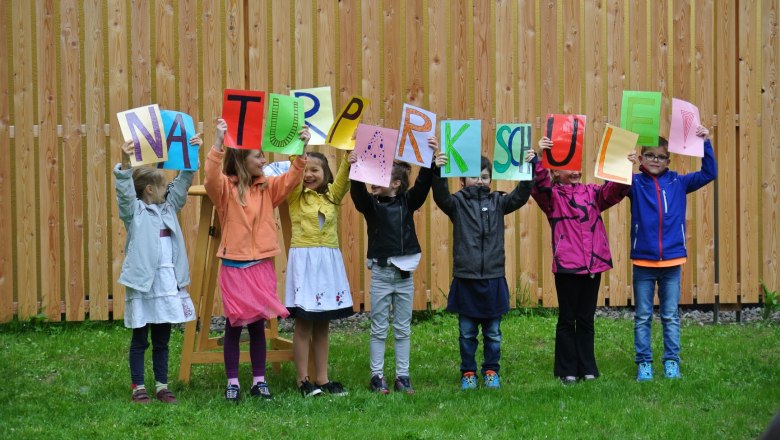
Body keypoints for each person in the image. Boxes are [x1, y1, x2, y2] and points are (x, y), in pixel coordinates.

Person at [204, 118, 310, 402]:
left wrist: (302, 146)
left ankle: (259, 380)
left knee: (258, 325)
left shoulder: (267, 188)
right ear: (241, 159)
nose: (264, 160)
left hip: (261, 265)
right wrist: (217, 142)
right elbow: (211, 178)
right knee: (234, 325)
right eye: (258, 156)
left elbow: (292, 178)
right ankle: (233, 382)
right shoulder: (225, 190)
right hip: (234, 267)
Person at [529, 139, 632, 384]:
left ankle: (587, 367)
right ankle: (566, 369)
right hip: (567, 267)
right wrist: (541, 157)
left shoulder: (593, 193)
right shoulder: (552, 198)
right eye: (568, 168)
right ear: (555, 172)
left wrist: (623, 168)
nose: (575, 172)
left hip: (593, 266)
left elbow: (614, 192)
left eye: (577, 167)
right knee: (567, 318)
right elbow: (538, 187)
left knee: (586, 318)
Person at [432, 152, 532, 390]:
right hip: (466, 280)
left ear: (491, 180)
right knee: (466, 333)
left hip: (493, 279)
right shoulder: (456, 204)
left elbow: (520, 196)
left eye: (485, 176)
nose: (480, 180)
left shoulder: (499, 202)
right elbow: (440, 196)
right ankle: (468, 373)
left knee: (493, 333)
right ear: (462, 181)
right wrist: (437, 171)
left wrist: (527, 169)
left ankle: (490, 371)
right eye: (474, 176)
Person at [114, 134, 202, 404]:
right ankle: (138, 386)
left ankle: (162, 386)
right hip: (143, 285)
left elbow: (182, 184)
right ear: (149, 190)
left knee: (162, 340)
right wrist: (125, 164)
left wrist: (190, 158)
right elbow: (125, 192)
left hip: (166, 285)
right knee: (140, 339)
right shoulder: (135, 212)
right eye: (162, 186)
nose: (166, 190)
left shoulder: (168, 208)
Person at [348, 140, 438, 395]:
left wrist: (430, 160)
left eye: (380, 175)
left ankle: (403, 376)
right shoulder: (371, 206)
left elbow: (422, 186)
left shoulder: (407, 203)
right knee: (378, 327)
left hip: (404, 277)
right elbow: (358, 195)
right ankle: (377, 376)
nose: (373, 180)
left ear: (396, 183)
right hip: (380, 275)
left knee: (402, 328)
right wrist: (355, 170)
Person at [629, 126, 716, 381]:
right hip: (643, 261)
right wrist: (625, 166)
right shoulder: (633, 183)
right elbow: (612, 188)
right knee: (643, 316)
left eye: (661, 157)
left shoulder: (679, 182)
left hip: (672, 261)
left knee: (669, 315)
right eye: (650, 155)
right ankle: (644, 362)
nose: (655, 160)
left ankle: (671, 362)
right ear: (642, 157)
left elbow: (709, 172)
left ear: (669, 160)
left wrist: (706, 143)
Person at [285, 151, 354, 397]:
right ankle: (303, 380)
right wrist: (299, 150)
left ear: (325, 174)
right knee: (304, 323)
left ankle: (322, 378)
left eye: (315, 170)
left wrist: (349, 156)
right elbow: (293, 174)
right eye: (305, 169)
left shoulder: (332, 197)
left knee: (322, 324)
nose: (308, 174)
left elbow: (343, 181)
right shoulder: (295, 196)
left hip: (327, 265)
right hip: (305, 264)